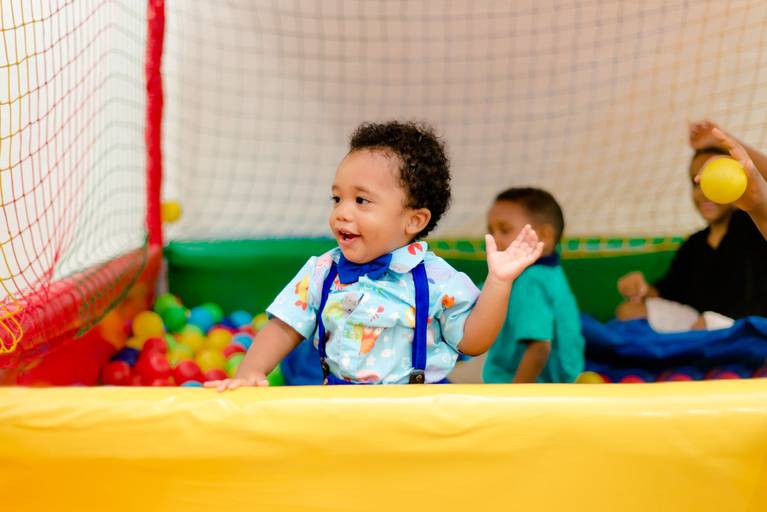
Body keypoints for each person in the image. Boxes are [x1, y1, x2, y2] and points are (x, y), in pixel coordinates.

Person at [206, 121, 542, 388]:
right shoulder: (323, 271)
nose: (342, 212)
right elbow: (283, 326)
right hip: (340, 409)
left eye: (361, 200)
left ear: (414, 220)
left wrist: (499, 283)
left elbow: (472, 341)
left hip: (415, 414)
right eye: (337, 199)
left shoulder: (437, 279)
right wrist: (249, 372)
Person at [616, 121, 767, 329]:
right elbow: (668, 292)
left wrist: (723, 142)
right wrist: (640, 289)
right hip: (698, 324)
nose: (704, 192)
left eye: (713, 181)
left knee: (704, 324)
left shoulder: (752, 225)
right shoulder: (694, 245)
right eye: (697, 183)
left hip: (745, 327)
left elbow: (760, 200)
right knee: (628, 311)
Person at [482, 188, 584, 383]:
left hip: (524, 387)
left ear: (544, 236)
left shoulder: (531, 281)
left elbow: (539, 348)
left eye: (505, 230)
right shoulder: (551, 273)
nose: (495, 239)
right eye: (490, 231)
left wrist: (516, 395)